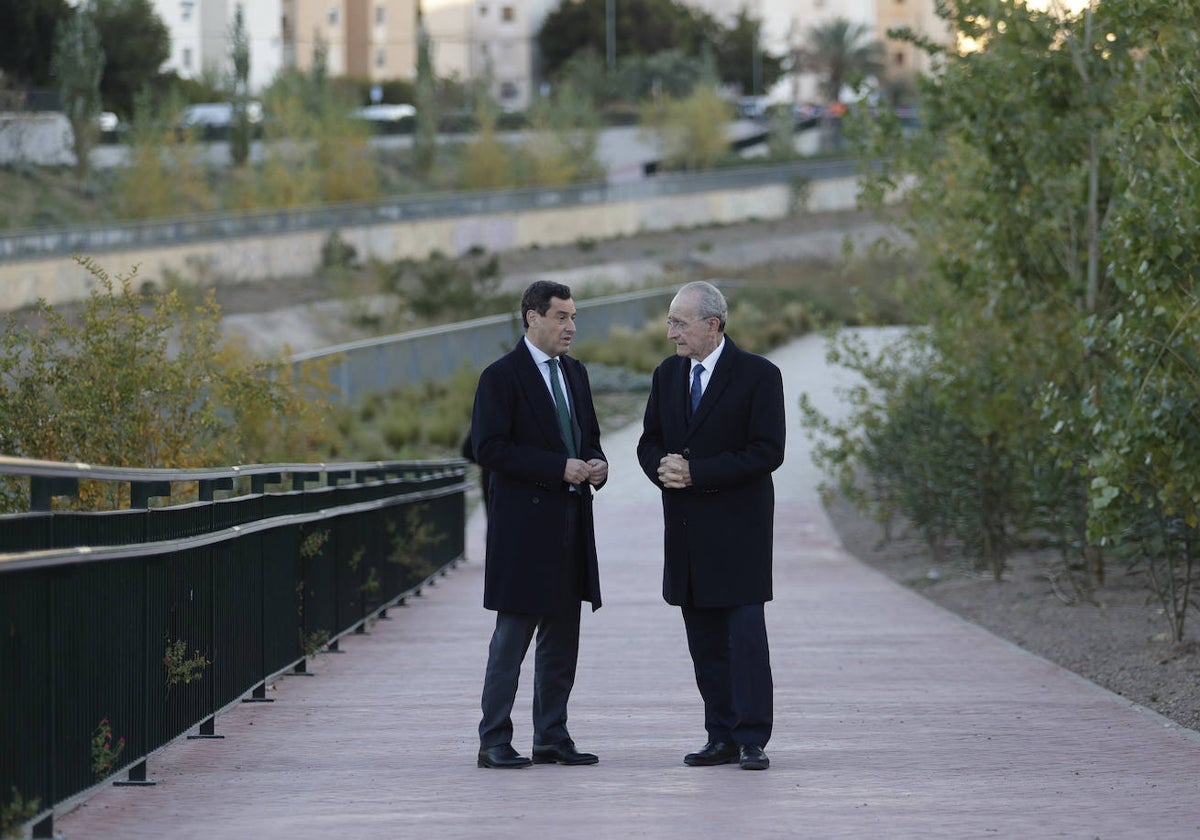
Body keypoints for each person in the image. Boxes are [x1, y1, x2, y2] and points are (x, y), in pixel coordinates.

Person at [636, 280, 785, 771]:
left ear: (712, 326)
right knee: (703, 642)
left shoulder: (759, 376)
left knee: (744, 641)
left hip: (738, 532)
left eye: (678, 323)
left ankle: (751, 738)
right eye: (670, 322)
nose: (669, 333)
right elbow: (648, 440)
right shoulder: (666, 375)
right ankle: (719, 733)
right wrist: (661, 467)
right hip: (687, 532)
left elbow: (767, 451)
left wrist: (698, 472)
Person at [471, 280, 608, 769]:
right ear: (531, 317)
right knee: (512, 641)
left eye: (573, 317)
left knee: (561, 642)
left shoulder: (575, 373)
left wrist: (597, 464)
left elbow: (588, 439)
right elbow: (488, 449)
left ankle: (551, 736)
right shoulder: (501, 377)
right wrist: (557, 467)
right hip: (523, 532)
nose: (570, 327)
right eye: (561, 317)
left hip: (571, 524)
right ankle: (494, 741)